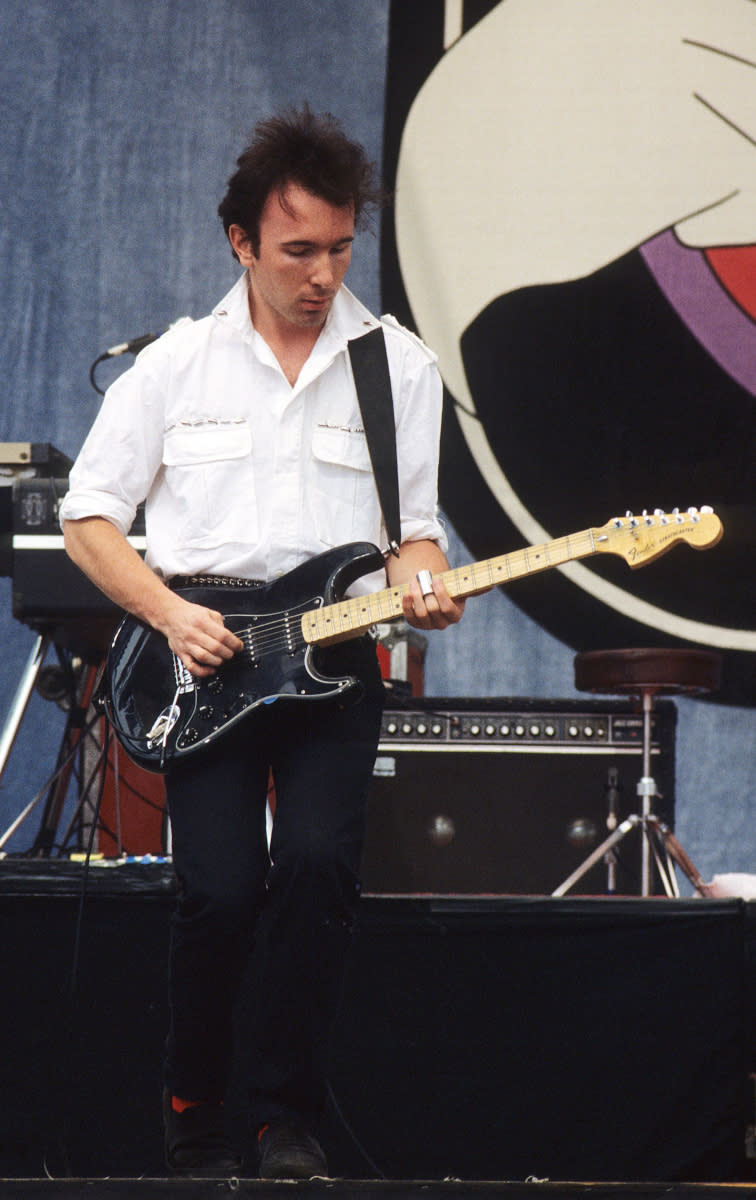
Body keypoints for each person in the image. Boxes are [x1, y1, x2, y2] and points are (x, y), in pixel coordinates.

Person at [60, 105, 464, 1179]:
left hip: (337, 653)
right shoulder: (177, 366)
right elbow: (89, 515)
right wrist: (164, 609)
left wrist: (424, 583)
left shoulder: (398, 369)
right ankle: (194, 1108)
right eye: (297, 251)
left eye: (338, 249)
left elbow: (414, 533)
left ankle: (284, 1117)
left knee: (323, 868)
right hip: (209, 655)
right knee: (222, 889)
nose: (322, 274)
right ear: (240, 241)